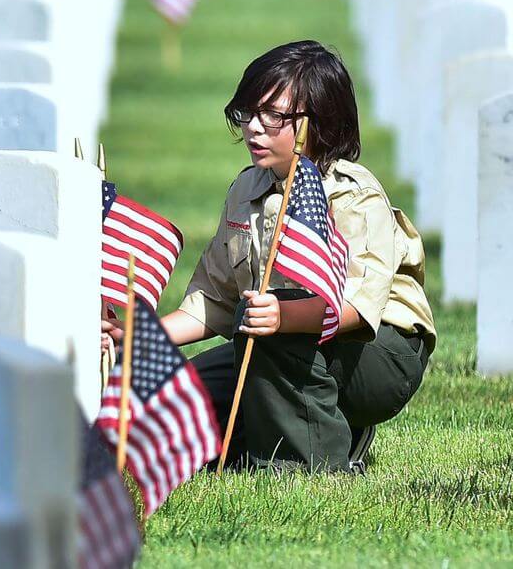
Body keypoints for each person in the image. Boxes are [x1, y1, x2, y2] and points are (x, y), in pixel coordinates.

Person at [103, 40, 435, 473]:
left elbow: (357, 309)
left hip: (378, 355)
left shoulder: (353, 194)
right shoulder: (247, 189)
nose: (254, 128)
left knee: (271, 338)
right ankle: (309, 429)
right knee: (172, 402)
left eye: (273, 116)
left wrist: (282, 318)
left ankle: (309, 465)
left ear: (319, 121)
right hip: (270, 342)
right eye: (247, 113)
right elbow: (215, 302)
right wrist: (139, 335)